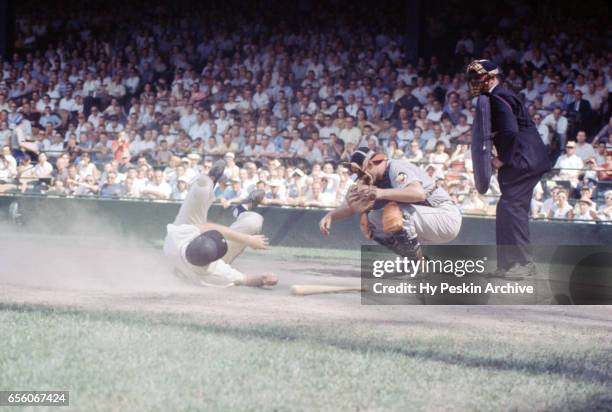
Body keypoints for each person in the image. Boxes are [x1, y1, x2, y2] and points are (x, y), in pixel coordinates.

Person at [467, 59, 551, 279]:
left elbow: (511, 131)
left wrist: (501, 159)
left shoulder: (497, 97)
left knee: (512, 207)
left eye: (478, 78)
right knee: (505, 208)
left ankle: (525, 264)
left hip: (523, 161)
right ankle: (507, 264)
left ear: (492, 77)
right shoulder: (498, 96)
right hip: (526, 158)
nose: (475, 82)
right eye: (473, 79)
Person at [319, 147, 461, 258]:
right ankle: (417, 260)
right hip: (424, 220)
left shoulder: (395, 167)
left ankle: (418, 266)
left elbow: (418, 194)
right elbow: (351, 206)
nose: (362, 178)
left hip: (444, 215)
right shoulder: (373, 178)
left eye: (362, 173)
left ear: (370, 164)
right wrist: (331, 216)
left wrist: (379, 193)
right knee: (371, 219)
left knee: (393, 213)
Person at [163, 160, 276, 287]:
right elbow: (246, 279)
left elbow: (208, 227)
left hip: (181, 246)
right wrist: (264, 278)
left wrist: (248, 240)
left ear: (196, 240)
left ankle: (209, 180)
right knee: (254, 221)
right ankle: (240, 210)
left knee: (202, 188)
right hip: (192, 261)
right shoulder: (216, 272)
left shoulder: (176, 239)